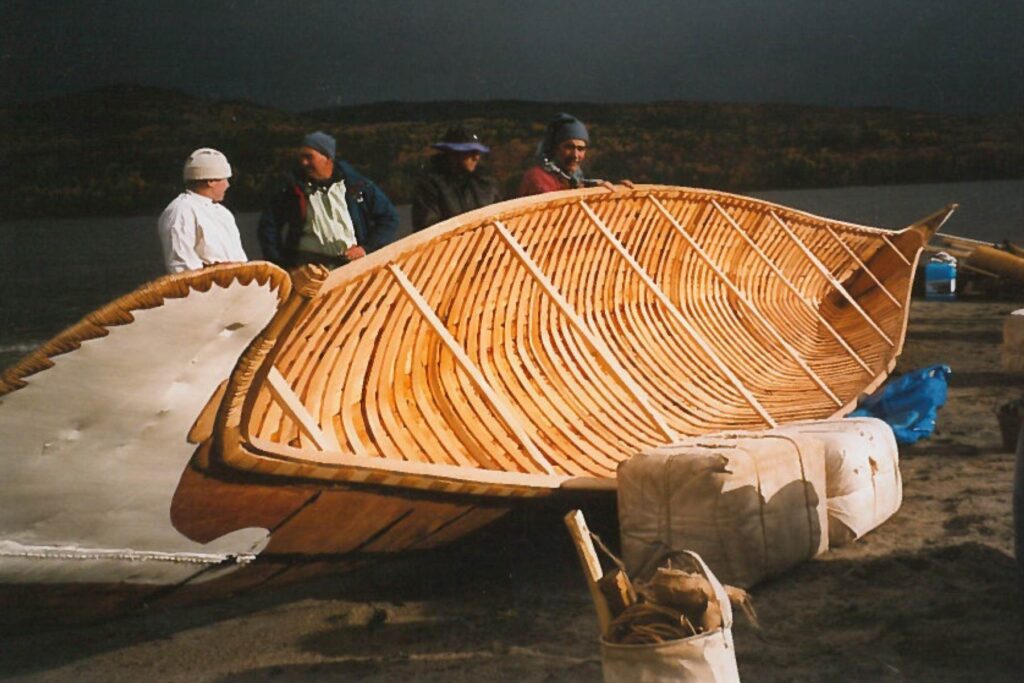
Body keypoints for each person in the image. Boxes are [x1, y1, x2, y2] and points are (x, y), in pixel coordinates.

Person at [258, 131, 399, 269]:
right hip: (309, 273)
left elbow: (389, 218)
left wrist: (366, 248)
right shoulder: (291, 190)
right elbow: (268, 226)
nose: (303, 162)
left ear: (327, 157)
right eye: (301, 157)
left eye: (309, 157)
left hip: (353, 267)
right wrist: (279, 264)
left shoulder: (358, 185)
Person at [157, 148, 247, 274]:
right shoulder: (181, 211)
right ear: (211, 181)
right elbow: (182, 268)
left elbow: (241, 261)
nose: (228, 185)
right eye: (225, 179)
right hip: (204, 292)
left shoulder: (224, 213)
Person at [412, 125, 502, 231]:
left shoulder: (487, 184)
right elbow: (427, 227)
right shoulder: (430, 185)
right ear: (453, 154)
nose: (476, 157)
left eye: (478, 152)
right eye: (471, 152)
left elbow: (501, 217)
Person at [518, 113, 607, 196]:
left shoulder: (573, 177)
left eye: (580, 149)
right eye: (569, 147)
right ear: (555, 148)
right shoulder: (537, 178)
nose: (575, 155)